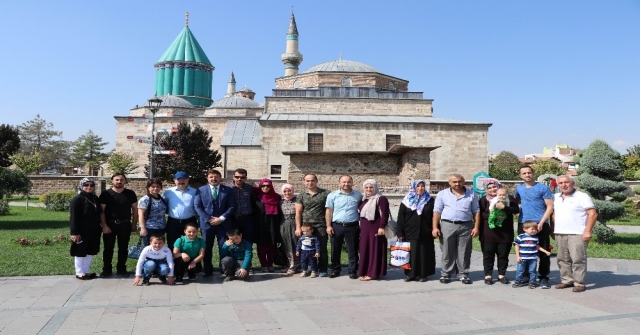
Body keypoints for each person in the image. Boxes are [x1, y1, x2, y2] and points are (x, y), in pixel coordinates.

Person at [551, 175, 598, 293]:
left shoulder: (582, 196)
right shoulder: (555, 197)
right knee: (562, 258)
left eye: (566, 182)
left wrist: (587, 231)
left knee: (578, 259)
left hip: (577, 233)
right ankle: (566, 280)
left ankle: (579, 283)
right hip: (560, 232)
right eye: (561, 183)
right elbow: (552, 215)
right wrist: (552, 230)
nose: (564, 185)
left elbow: (593, 214)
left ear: (573, 183)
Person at [432, 174, 480, 284]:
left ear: (463, 182)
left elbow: (476, 212)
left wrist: (476, 227)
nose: (457, 184)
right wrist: (435, 227)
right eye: (454, 182)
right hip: (448, 224)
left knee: (464, 250)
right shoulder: (442, 194)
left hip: (466, 225)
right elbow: (437, 211)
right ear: (449, 183)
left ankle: (463, 274)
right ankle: (446, 274)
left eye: (459, 181)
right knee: (447, 250)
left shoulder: (472, 194)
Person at [514, 165, 554, 288]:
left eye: (529, 172)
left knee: (543, 251)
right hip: (524, 224)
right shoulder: (519, 188)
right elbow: (516, 202)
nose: (527, 175)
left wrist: (542, 222)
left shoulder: (543, 188)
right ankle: (526, 276)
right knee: (524, 250)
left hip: (540, 224)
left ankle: (543, 277)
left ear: (533, 173)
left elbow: (550, 206)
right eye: (524, 173)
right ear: (521, 175)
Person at [194, 169, 236, 277]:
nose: (214, 179)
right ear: (207, 178)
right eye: (211, 177)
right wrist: (208, 219)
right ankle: (207, 269)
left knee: (224, 246)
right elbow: (197, 206)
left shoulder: (227, 190)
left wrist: (221, 218)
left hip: (223, 224)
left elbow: (231, 206)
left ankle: (224, 268)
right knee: (207, 247)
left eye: (216, 176)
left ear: (220, 178)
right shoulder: (200, 190)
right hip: (207, 225)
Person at [479, 179, 518, 285]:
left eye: (494, 187)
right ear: (486, 190)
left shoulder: (509, 198)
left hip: (505, 233)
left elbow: (516, 210)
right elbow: (480, 214)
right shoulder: (484, 200)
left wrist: (504, 208)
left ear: (499, 187)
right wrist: (494, 217)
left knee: (503, 255)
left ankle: (502, 275)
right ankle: (488, 275)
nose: (492, 189)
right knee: (488, 255)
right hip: (488, 233)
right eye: (489, 188)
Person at [99, 173, 138, 278]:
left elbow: (135, 210)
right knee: (108, 248)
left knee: (123, 248)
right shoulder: (106, 194)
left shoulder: (130, 193)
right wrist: (104, 225)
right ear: (112, 181)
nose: (119, 182)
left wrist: (134, 224)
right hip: (110, 225)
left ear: (125, 181)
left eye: (121, 180)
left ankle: (121, 269)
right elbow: (101, 211)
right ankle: (106, 269)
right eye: (117, 180)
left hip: (125, 224)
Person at [397, 180, 436, 282]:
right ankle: (411, 274)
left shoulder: (429, 200)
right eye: (418, 186)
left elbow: (434, 216)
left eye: (422, 186)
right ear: (413, 187)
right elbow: (401, 217)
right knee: (411, 253)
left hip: (426, 231)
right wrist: (400, 232)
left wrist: (435, 228)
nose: (420, 188)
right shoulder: (406, 201)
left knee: (424, 253)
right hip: (410, 232)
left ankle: (424, 274)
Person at [326, 175, 362, 279]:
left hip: (352, 226)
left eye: (348, 182)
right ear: (339, 183)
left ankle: (352, 270)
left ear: (352, 183)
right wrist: (328, 226)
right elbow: (329, 211)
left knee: (353, 250)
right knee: (335, 249)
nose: (346, 184)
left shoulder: (358, 195)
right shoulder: (332, 195)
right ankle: (335, 269)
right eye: (344, 182)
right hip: (337, 226)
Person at [295, 173, 331, 276]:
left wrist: (328, 225)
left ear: (316, 181)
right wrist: (298, 227)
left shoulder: (325, 193)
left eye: (312, 180)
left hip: (320, 225)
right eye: (307, 181)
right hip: (306, 226)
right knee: (307, 248)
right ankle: (310, 268)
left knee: (322, 248)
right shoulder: (301, 195)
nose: (310, 183)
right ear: (304, 182)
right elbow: (298, 213)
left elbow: (328, 210)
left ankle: (323, 269)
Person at [69, 178, 102, 280]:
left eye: (91, 185)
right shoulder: (77, 199)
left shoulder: (95, 198)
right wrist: (75, 232)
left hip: (94, 229)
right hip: (81, 230)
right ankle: (79, 272)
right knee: (80, 250)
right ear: (81, 186)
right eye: (86, 185)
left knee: (90, 250)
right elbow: (73, 217)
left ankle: (86, 271)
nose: (89, 187)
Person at [357, 179, 390, 281]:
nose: (369, 189)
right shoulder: (364, 199)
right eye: (366, 187)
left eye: (371, 187)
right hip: (365, 229)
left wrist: (381, 227)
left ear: (375, 187)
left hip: (376, 228)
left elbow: (385, 214)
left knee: (374, 250)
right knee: (365, 250)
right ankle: (365, 271)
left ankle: (373, 273)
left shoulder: (381, 198)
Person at [163, 171, 198, 250]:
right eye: (179, 179)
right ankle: (174, 262)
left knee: (191, 244)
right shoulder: (168, 192)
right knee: (172, 244)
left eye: (184, 179)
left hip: (190, 221)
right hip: (173, 222)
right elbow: (163, 205)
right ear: (174, 180)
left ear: (188, 179)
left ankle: (191, 261)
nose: (181, 181)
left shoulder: (195, 192)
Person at [512, 222, 552, 289]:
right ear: (525, 229)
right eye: (532, 229)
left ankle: (532, 281)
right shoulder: (520, 237)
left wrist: (545, 251)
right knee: (520, 270)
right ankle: (518, 281)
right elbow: (517, 246)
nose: (534, 230)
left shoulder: (536, 238)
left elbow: (537, 246)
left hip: (533, 258)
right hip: (522, 258)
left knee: (532, 270)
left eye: (535, 229)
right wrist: (517, 256)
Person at [255, 178, 282, 273]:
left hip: (273, 224)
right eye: (263, 185)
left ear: (271, 186)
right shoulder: (256, 197)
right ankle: (264, 265)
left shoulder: (277, 197)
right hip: (260, 224)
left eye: (268, 186)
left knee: (272, 245)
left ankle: (270, 264)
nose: (265, 187)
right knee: (261, 246)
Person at [229, 168, 259, 243]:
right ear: (233, 177)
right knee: (233, 241)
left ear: (245, 178)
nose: (239, 179)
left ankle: (247, 255)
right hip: (233, 219)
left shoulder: (250, 189)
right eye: (237, 177)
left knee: (248, 241)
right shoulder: (227, 189)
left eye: (242, 177)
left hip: (247, 219)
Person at [137, 178, 168, 246]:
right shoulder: (144, 200)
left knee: (159, 248)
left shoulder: (162, 199)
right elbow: (141, 214)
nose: (155, 188)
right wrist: (143, 228)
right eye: (153, 186)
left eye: (158, 186)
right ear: (148, 188)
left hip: (161, 228)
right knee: (150, 249)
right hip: (149, 228)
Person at [279, 184, 299, 275]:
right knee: (285, 244)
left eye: (289, 190)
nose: (287, 193)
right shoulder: (281, 201)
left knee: (294, 244)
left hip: (294, 223)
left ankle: (294, 265)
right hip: (283, 223)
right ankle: (288, 264)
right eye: (285, 191)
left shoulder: (297, 200)